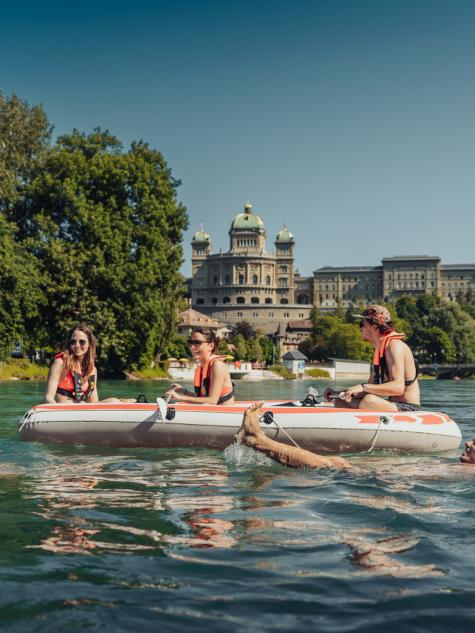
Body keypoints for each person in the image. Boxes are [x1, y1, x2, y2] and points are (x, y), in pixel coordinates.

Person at [236, 402, 475, 469]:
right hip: (392, 477)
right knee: (336, 463)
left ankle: (258, 441)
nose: (468, 441)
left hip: (384, 482)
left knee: (335, 463)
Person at [324, 305, 421, 412]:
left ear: (374, 327)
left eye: (362, 324)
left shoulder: (394, 346)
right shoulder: (380, 350)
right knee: (339, 401)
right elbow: (370, 389)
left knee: (369, 400)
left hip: (409, 408)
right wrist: (339, 393)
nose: (360, 328)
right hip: (392, 405)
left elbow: (398, 388)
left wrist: (363, 386)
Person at [44, 324, 133, 404]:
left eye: (82, 342)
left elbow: (94, 402)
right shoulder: (60, 363)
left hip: (83, 410)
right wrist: (55, 409)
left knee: (114, 401)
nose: (77, 346)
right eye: (73, 342)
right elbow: (48, 397)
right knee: (68, 403)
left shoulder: (92, 370)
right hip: (65, 409)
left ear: (89, 344)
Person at [165, 327, 235, 405]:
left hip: (223, 415)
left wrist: (180, 397)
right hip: (209, 414)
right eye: (190, 342)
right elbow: (201, 398)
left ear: (211, 346)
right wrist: (184, 391)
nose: (192, 346)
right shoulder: (200, 368)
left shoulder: (217, 365)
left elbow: (212, 401)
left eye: (197, 343)